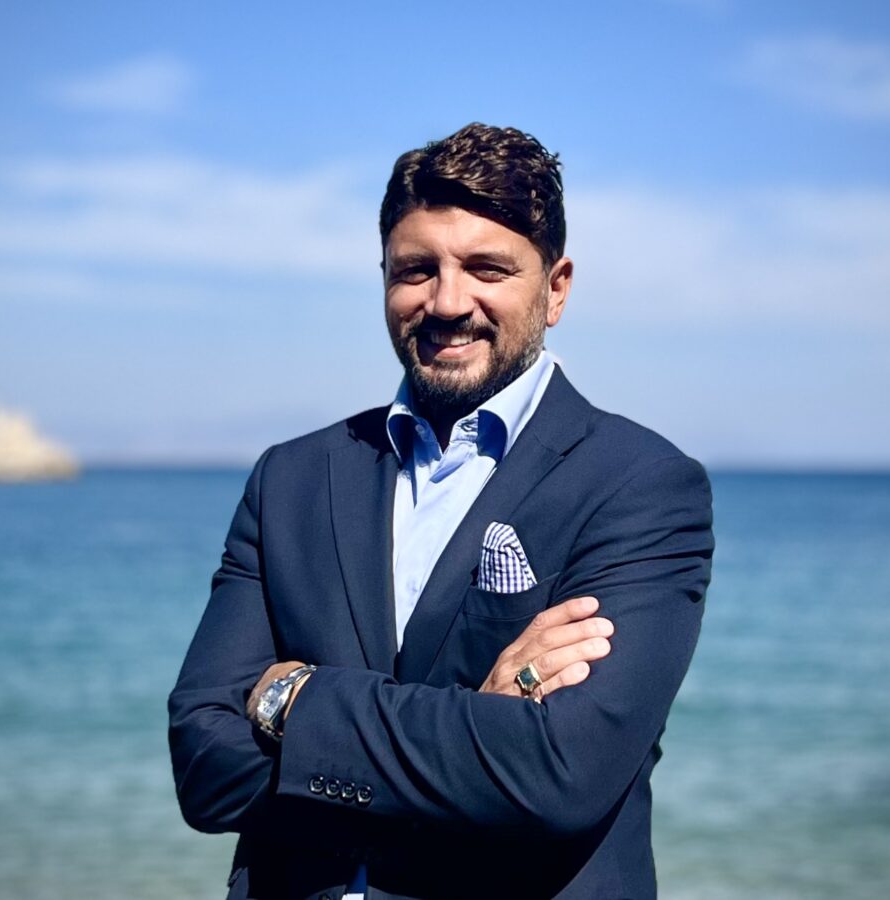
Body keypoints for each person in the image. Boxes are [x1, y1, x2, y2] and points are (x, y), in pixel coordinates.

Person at [168, 123, 714, 900]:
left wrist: (292, 701)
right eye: (416, 270)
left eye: (487, 269)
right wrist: (475, 735)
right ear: (384, 279)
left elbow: (560, 775)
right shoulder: (291, 479)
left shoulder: (640, 485)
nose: (448, 302)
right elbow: (204, 766)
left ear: (556, 288)